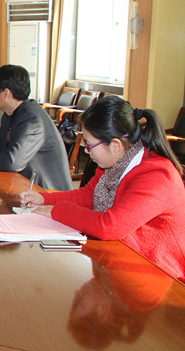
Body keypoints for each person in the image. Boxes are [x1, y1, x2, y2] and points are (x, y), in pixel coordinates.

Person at [21, 96, 185, 281]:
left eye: (89, 145)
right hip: (123, 261)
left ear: (115, 145)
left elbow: (110, 226)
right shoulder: (116, 163)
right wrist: (44, 199)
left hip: (159, 275)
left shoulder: (157, 176)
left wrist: (57, 211)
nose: (86, 151)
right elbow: (88, 195)